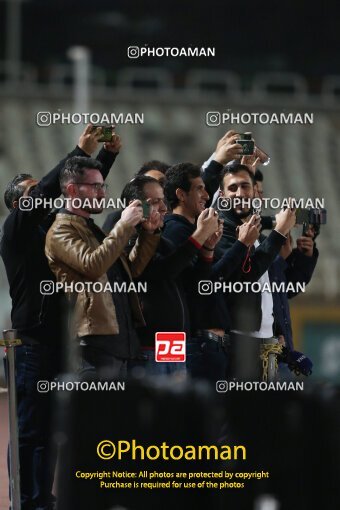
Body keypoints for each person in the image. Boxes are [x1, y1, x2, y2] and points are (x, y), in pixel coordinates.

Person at [0, 125, 119, 510]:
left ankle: (42, 499)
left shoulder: (54, 229)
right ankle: (31, 501)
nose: (44, 196)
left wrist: (106, 158)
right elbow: (57, 188)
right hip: (32, 341)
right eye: (33, 192)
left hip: (61, 338)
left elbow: (77, 191)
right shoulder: (15, 230)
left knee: (52, 428)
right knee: (32, 428)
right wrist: (74, 153)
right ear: (20, 201)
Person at [45, 156, 161, 380]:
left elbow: (132, 269)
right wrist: (124, 225)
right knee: (99, 413)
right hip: (94, 343)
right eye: (95, 186)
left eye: (103, 186)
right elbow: (93, 265)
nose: (102, 193)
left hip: (121, 339)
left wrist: (149, 234)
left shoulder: (91, 229)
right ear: (72, 190)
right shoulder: (60, 231)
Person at [163, 163, 261, 382]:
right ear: (180, 194)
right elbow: (205, 285)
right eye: (200, 189)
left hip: (208, 346)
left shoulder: (192, 230)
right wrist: (241, 244)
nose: (207, 195)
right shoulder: (176, 231)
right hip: (197, 345)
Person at [119, 175, 220, 377]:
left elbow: (191, 282)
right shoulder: (128, 239)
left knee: (174, 407)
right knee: (155, 406)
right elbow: (162, 273)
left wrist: (207, 249)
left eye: (163, 200)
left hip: (172, 342)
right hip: (149, 345)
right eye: (155, 202)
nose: (164, 207)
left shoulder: (162, 239)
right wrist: (199, 235)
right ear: (136, 206)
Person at [215, 163, 296, 380]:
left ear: (255, 192)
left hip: (269, 340)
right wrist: (279, 232)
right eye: (232, 188)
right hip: (240, 339)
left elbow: (266, 287)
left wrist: (277, 328)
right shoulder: (219, 230)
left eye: (245, 186)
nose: (240, 193)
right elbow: (246, 276)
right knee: (242, 409)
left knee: (268, 410)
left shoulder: (258, 234)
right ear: (222, 195)